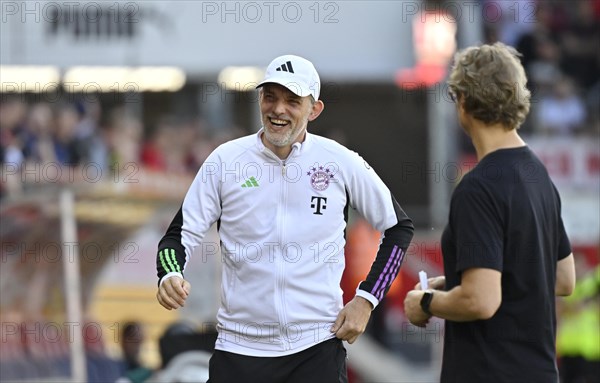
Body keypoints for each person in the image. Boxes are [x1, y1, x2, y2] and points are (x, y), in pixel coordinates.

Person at [155, 54, 414, 383]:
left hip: (316, 347)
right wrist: (169, 273)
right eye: (270, 97)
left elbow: (398, 227)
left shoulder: (340, 161)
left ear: (314, 109)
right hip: (239, 349)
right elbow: (178, 234)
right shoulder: (226, 160)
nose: (278, 109)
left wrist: (366, 298)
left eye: (292, 101)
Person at [403, 42, 576, 383]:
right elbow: (562, 279)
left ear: (464, 102)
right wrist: (455, 283)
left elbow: (481, 300)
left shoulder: (478, 188)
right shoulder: (538, 175)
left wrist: (425, 303)